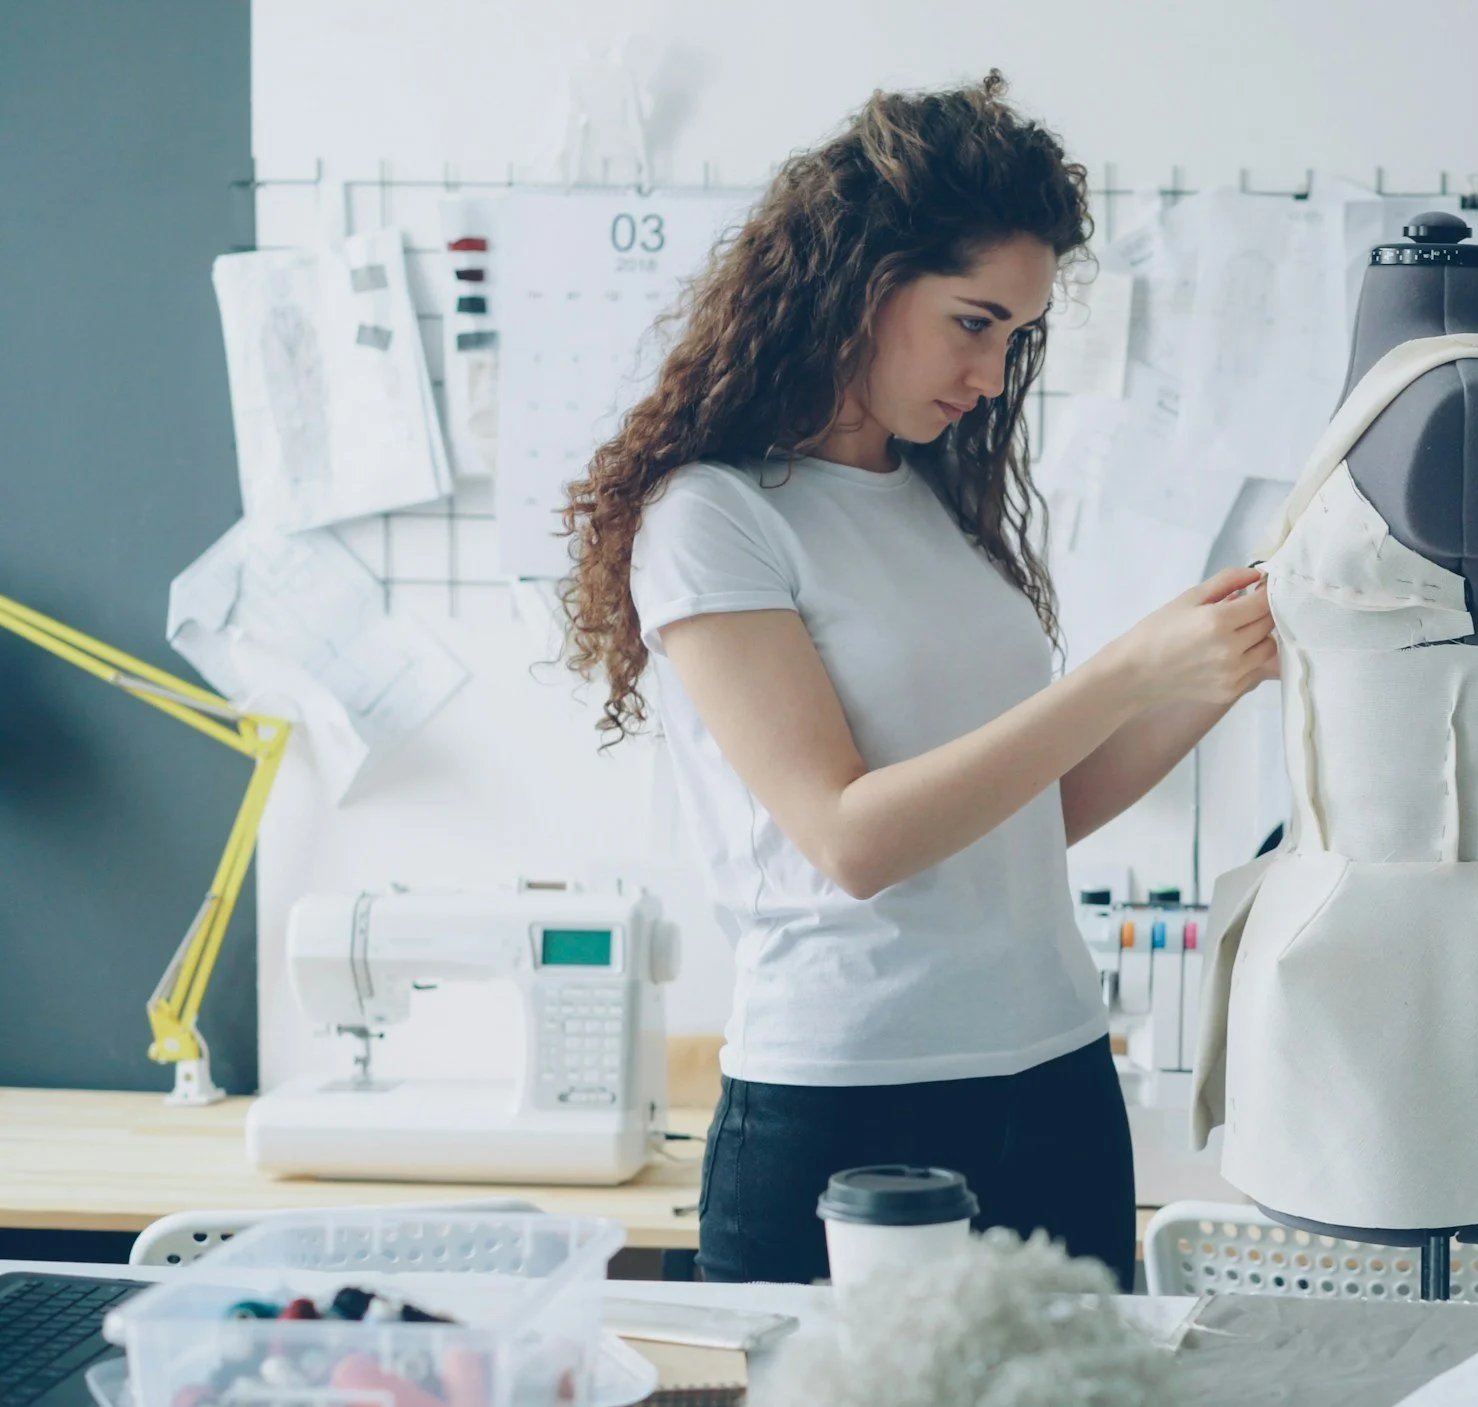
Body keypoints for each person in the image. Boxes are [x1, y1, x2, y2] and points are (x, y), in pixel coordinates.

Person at [559, 73, 1275, 1288]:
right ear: (860, 279)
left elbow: (1029, 814)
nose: (993, 375)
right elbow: (851, 838)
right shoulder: (713, 518)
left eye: (1016, 337)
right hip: (846, 1108)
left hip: (1054, 1078)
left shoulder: (937, 504)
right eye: (973, 321)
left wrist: (1219, 673)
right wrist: (1121, 672)